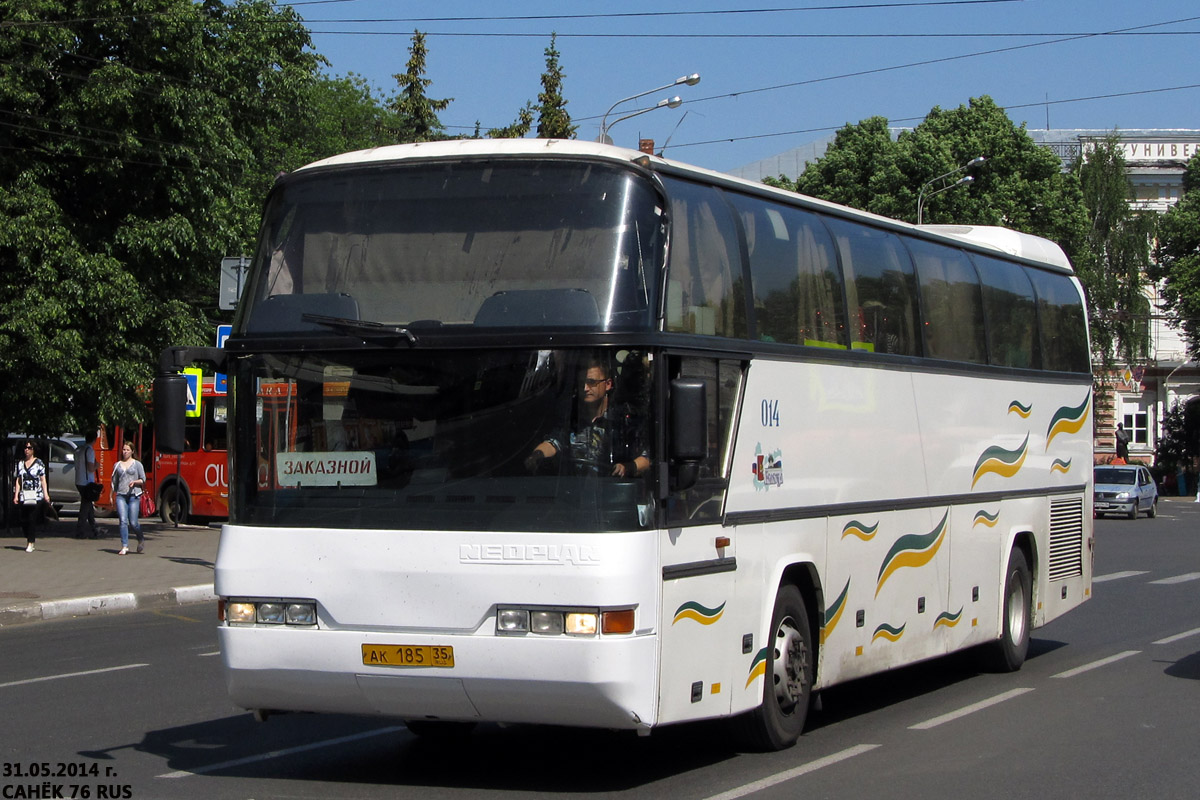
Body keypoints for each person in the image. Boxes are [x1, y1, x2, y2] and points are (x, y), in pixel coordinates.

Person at [524, 358, 650, 478]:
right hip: (573, 490)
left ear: (608, 384)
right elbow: (554, 442)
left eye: (592, 382)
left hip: (613, 491)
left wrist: (627, 468)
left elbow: (646, 458)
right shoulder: (573, 418)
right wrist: (536, 456)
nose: (585, 388)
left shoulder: (623, 420)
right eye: (581, 383)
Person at [12, 439, 51, 552]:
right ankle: (27, 536)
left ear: (33, 450)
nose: (27, 450)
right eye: (25, 448)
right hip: (24, 495)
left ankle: (31, 542)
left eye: (29, 448)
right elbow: (18, 480)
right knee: (23, 519)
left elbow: (43, 480)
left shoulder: (39, 463)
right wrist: (16, 495)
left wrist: (46, 495)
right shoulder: (20, 463)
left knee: (31, 518)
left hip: (36, 495)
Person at [110, 441, 146, 556]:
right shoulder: (117, 465)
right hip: (121, 495)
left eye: (127, 450)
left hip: (134, 495)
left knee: (133, 522)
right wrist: (111, 495)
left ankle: (140, 538)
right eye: (124, 450)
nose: (125, 452)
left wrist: (134, 482)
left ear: (132, 451)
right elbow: (114, 482)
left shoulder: (137, 464)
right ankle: (125, 546)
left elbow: (143, 479)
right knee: (123, 520)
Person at [74, 429, 101, 539]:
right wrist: (97, 466)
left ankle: (94, 528)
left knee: (89, 506)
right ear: (94, 440)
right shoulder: (89, 450)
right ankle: (80, 532)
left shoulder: (78, 449)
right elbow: (90, 468)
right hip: (87, 482)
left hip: (78, 480)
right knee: (85, 508)